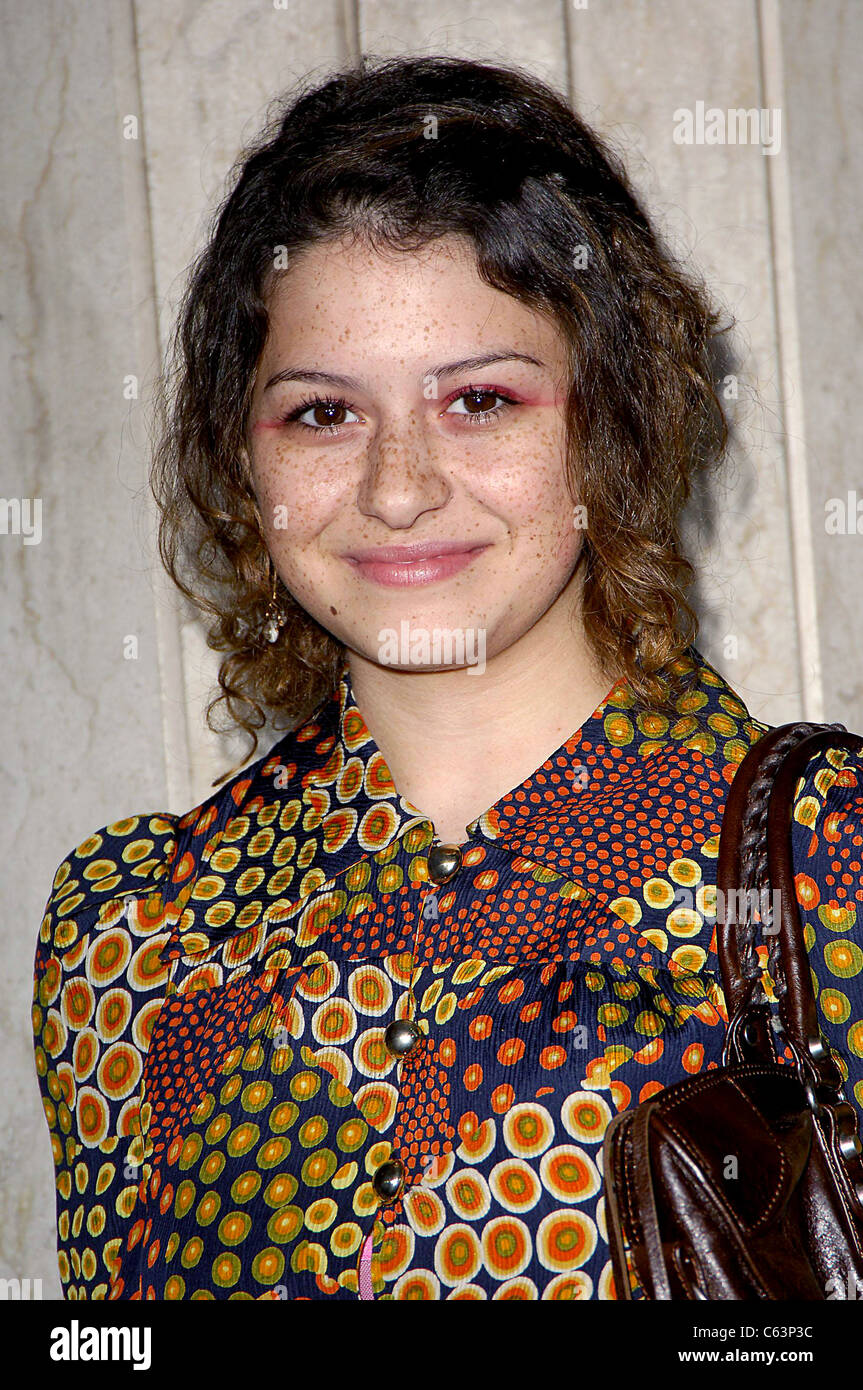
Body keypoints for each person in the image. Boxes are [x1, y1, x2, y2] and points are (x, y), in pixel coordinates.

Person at [33, 52, 844, 1302]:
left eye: (476, 399)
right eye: (321, 413)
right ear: (239, 458)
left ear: (605, 423)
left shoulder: (823, 860)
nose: (398, 488)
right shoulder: (127, 933)